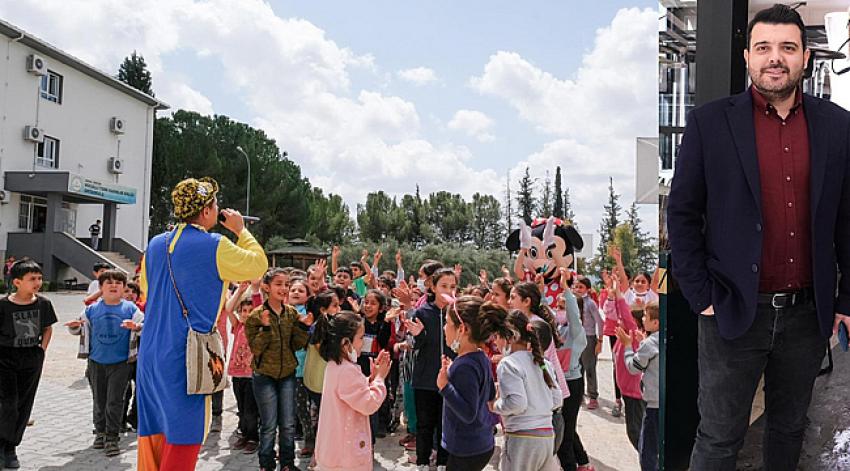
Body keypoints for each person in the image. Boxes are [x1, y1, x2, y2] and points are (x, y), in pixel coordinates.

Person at [667, 4, 850, 469]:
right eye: (764, 47)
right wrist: (701, 294)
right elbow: (683, 215)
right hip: (730, 310)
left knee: (789, 430)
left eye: (787, 47)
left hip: (807, 316)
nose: (775, 57)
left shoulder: (837, 126)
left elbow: (847, 219)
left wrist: (846, 299)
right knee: (718, 439)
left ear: (805, 57)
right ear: (747, 56)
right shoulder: (710, 123)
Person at [136, 177, 268, 471]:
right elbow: (258, 265)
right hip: (185, 353)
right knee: (184, 433)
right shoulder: (215, 244)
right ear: (207, 211)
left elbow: (146, 290)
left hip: (151, 351)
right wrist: (241, 230)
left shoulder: (156, 244)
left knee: (154, 430)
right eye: (215, 204)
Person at [66, 269, 144, 456]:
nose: (114, 285)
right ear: (101, 288)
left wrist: (137, 327)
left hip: (121, 364)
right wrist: (75, 327)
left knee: (115, 401)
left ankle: (112, 437)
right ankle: (100, 432)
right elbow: (80, 328)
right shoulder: (91, 310)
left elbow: (144, 326)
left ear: (124, 288)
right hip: (96, 362)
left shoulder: (131, 309)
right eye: (108, 282)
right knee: (99, 401)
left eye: (118, 283)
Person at [245, 268, 313, 471]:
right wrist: (265, 328)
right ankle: (266, 463)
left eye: (286, 285)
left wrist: (303, 328)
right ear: (266, 287)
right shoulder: (256, 316)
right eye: (279, 284)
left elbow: (297, 345)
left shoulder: (291, 313)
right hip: (264, 375)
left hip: (287, 375)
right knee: (268, 424)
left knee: (288, 424)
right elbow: (256, 349)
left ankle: (287, 463)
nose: (284, 289)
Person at [438, 295, 511, 471]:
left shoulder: (464, 366)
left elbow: (468, 413)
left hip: (467, 448)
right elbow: (489, 396)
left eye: (447, 323)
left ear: (462, 329)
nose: (444, 327)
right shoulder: (479, 356)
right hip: (480, 443)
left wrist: (445, 386)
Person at [314, 311, 391, 471]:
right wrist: (380, 379)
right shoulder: (346, 370)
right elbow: (368, 404)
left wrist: (371, 378)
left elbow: (353, 393)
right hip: (346, 455)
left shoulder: (336, 365)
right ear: (345, 343)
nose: (363, 343)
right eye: (361, 338)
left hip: (335, 451)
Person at [0, 259, 57, 469]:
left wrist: (41, 350)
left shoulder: (44, 304)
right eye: (32, 278)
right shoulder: (3, 305)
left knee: (24, 404)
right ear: (17, 281)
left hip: (31, 357)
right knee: (8, 403)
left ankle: (10, 448)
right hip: (5, 358)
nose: (37, 282)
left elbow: (48, 329)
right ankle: (2, 442)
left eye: (40, 278)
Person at [490, 310, 563, 471]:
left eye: (497, 336)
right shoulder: (543, 362)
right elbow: (557, 399)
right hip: (547, 437)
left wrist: (495, 405)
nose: (495, 342)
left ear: (511, 336)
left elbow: (517, 404)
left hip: (522, 438)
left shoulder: (508, 364)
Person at [404, 267, 457, 470]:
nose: (448, 290)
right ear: (432, 287)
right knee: (425, 425)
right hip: (425, 379)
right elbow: (413, 345)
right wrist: (419, 335)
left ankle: (444, 462)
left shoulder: (457, 312)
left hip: (450, 378)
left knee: (446, 424)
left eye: (452, 286)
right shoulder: (422, 312)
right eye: (443, 286)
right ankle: (423, 461)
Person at [618, 302, 660, 471]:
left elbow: (632, 367)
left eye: (645, 316)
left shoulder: (649, 344)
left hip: (654, 405)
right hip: (666, 402)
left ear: (655, 322)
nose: (642, 319)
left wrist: (628, 346)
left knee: (647, 451)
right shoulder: (658, 340)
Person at [226, 284, 260, 454]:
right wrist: (239, 291)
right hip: (236, 373)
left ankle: (253, 437)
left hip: (251, 374)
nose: (246, 314)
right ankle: (244, 434)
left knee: (250, 409)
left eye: (250, 310)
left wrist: (255, 289)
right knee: (241, 406)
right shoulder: (237, 326)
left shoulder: (257, 327)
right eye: (243, 310)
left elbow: (260, 308)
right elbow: (228, 309)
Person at [573, 277, 603, 410]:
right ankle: (579, 395)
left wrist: (600, 341)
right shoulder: (573, 301)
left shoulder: (590, 303)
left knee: (589, 368)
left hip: (589, 338)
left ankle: (593, 396)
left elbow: (600, 322)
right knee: (578, 368)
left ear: (587, 289)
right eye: (576, 287)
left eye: (581, 287)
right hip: (576, 338)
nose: (578, 289)